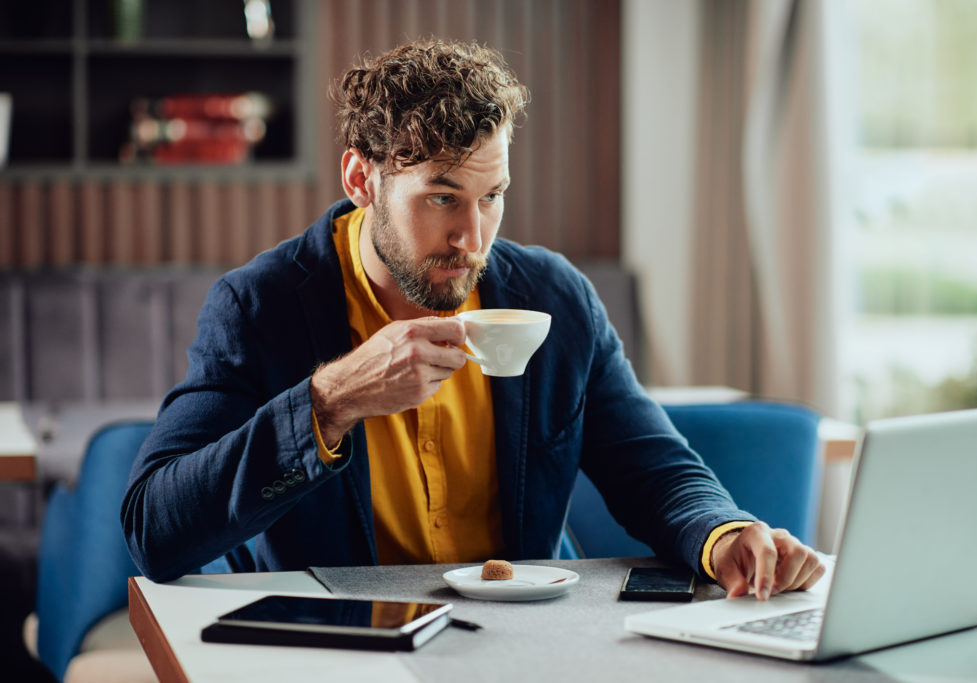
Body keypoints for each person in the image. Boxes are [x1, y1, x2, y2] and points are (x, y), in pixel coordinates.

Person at [121, 38, 823, 600]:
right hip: (342, 647)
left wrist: (724, 533)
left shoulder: (555, 296)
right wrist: (329, 403)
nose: (473, 236)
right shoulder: (262, 305)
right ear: (362, 179)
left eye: (493, 196)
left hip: (522, 643)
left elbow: (657, 470)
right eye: (442, 198)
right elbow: (154, 528)